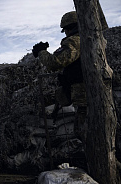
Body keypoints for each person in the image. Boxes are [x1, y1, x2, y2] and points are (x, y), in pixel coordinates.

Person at [33, 11, 87, 141]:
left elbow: (55, 62)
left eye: (66, 30)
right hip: (89, 95)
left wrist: (41, 52)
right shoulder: (88, 39)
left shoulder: (75, 41)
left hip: (85, 97)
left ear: (70, 28)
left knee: (86, 134)